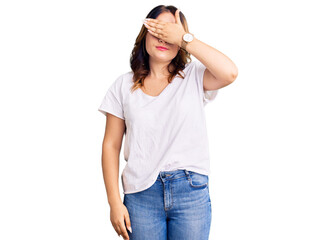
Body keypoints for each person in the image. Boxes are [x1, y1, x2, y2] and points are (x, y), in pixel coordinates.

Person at [98, 5, 238, 240]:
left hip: (190, 191)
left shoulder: (193, 76)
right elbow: (111, 146)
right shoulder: (122, 86)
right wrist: (114, 202)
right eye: (158, 30)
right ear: (145, 33)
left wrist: (184, 38)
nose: (164, 38)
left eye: (170, 32)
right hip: (141, 195)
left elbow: (230, 73)